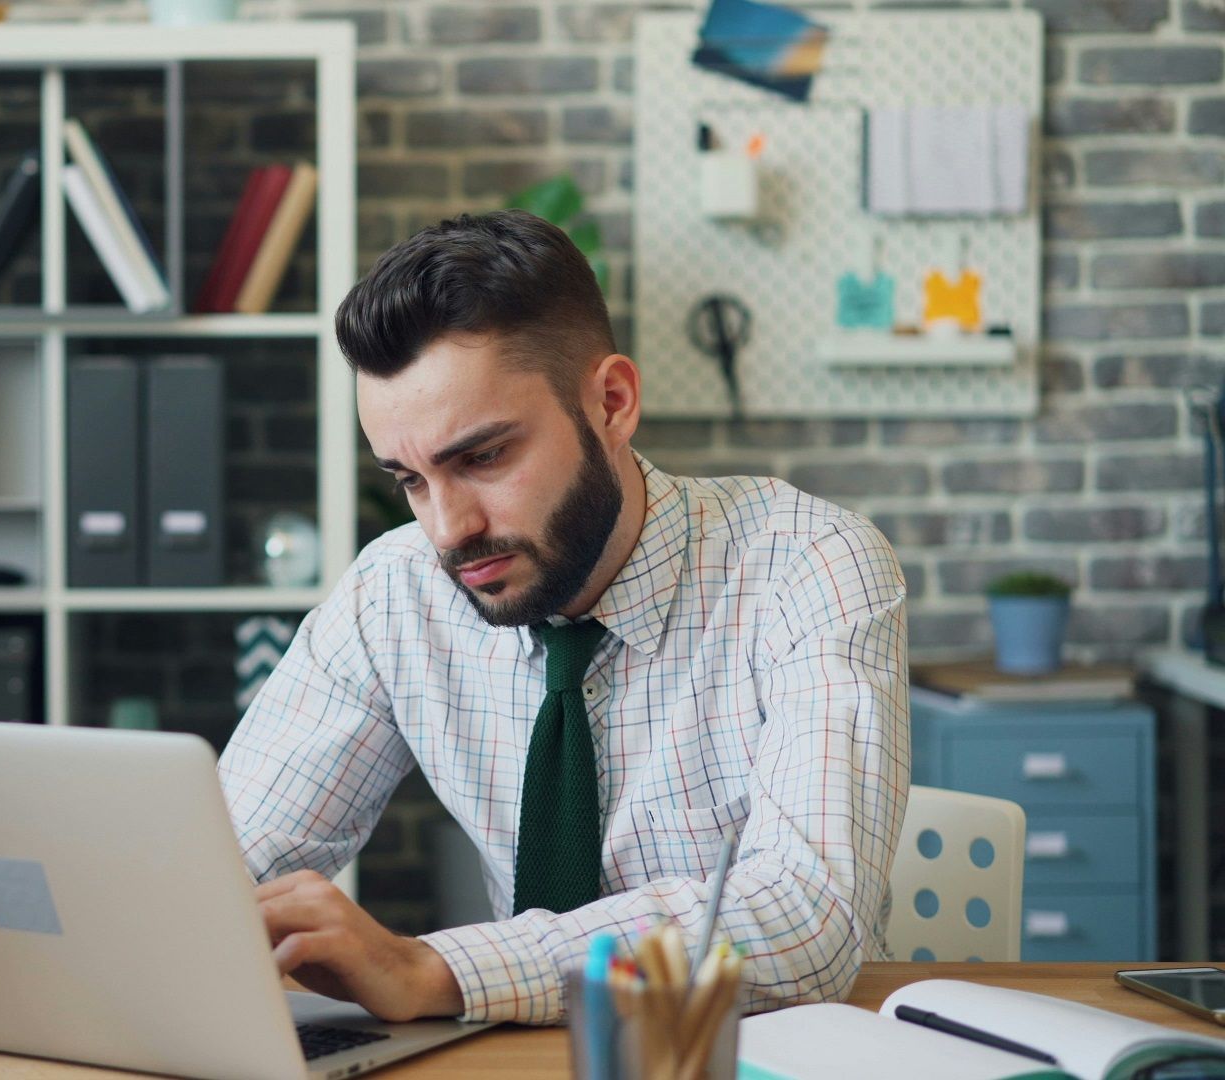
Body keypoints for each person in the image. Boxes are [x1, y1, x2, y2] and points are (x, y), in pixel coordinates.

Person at [218, 210, 910, 1026]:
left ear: (612, 403)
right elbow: (225, 866)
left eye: (482, 457)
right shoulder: (395, 593)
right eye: (410, 479)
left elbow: (808, 918)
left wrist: (437, 968)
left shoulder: (808, 564)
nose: (448, 529)